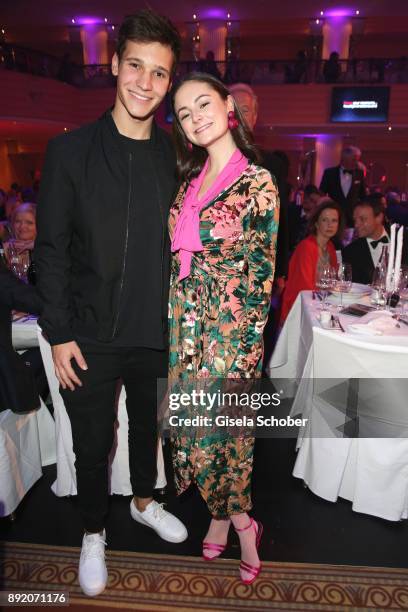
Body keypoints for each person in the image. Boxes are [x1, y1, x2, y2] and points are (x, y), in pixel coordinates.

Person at [35, 10, 187, 598]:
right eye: (135, 67)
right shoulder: (69, 152)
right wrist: (59, 331)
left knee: (151, 429)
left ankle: (146, 502)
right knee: (92, 444)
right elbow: (49, 251)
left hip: (155, 332)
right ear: (114, 64)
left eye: (159, 73)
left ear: (169, 81)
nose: (145, 83)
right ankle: (94, 530)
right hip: (89, 334)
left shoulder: (175, 158)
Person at [169, 72, 279, 584]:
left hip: (230, 336)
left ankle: (242, 525)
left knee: (227, 436)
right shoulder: (188, 182)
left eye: (203, 103)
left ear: (228, 104)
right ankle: (221, 516)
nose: (196, 117)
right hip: (187, 332)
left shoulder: (257, 182)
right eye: (185, 113)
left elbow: (261, 274)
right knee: (197, 434)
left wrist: (244, 351)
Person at [280, 199, 343, 323]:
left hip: (319, 306)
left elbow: (333, 282)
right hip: (299, 311)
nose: (330, 225)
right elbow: (305, 289)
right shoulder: (306, 247)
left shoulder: (330, 247)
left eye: (334, 220)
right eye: (324, 220)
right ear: (316, 223)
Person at [342, 196, 407, 285]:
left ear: (379, 217)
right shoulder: (350, 252)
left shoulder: (404, 240)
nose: (356, 225)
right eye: (355, 220)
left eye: (362, 219)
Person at [319, 146, 366, 228]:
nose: (357, 162)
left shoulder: (359, 174)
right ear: (344, 158)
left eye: (357, 159)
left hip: (352, 218)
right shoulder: (330, 173)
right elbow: (321, 193)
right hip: (333, 216)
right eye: (354, 159)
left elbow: (363, 196)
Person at [3, 202, 37, 271]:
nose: (22, 226)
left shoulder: (45, 250)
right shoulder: (4, 250)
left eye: (29, 222)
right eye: (18, 221)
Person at [288, 184, 321, 251]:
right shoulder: (291, 210)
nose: (307, 200)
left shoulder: (316, 220)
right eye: (306, 197)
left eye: (314, 201)